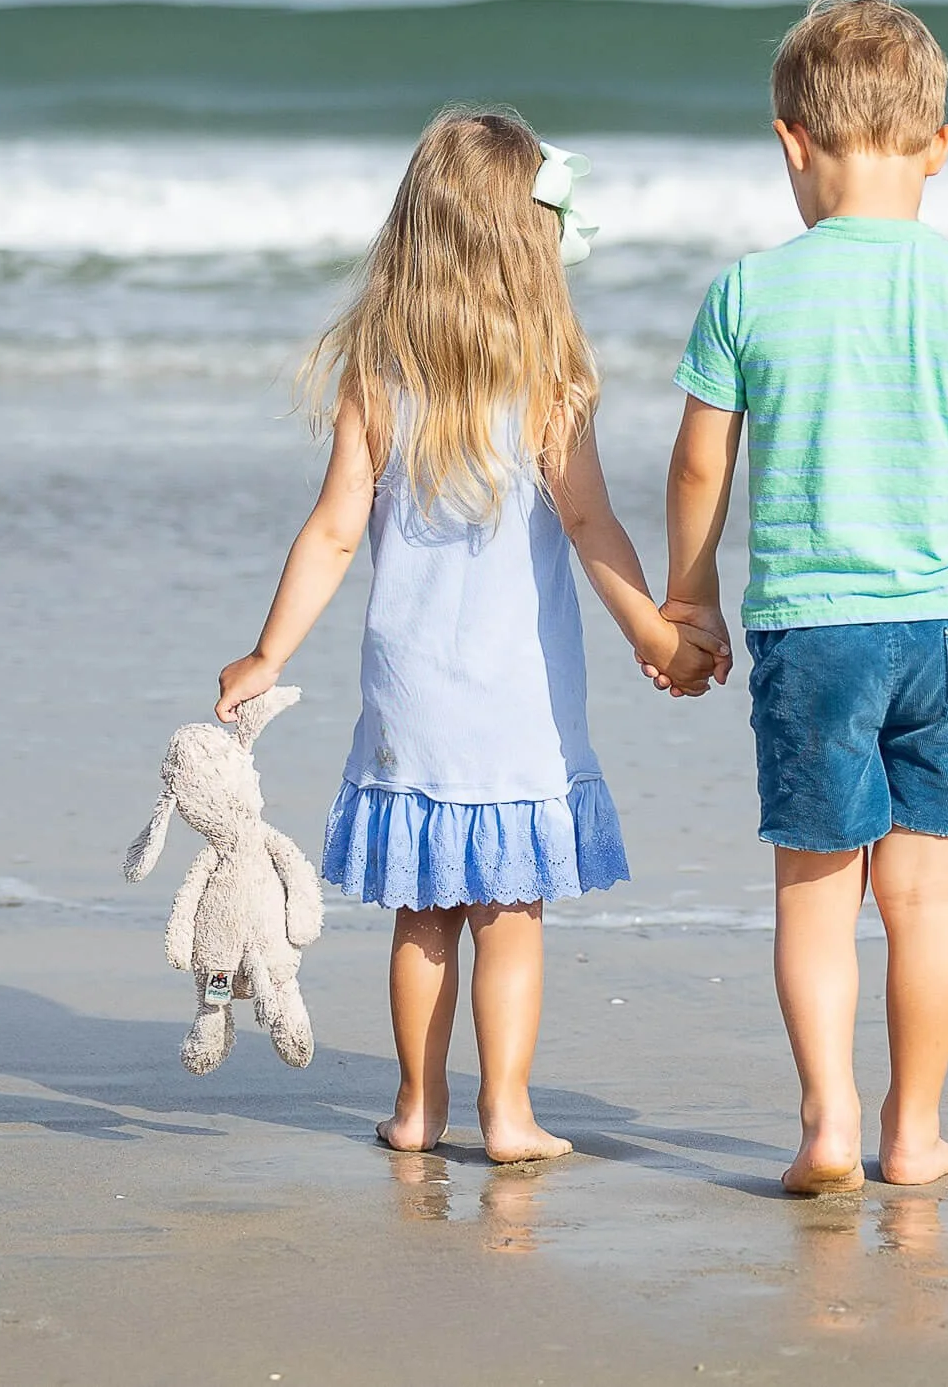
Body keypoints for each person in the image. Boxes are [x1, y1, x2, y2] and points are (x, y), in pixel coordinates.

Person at [218, 108, 726, 1163]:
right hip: (516, 696)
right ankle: (506, 1112)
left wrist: (270, 651)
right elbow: (590, 524)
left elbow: (332, 528)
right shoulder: (549, 373)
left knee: (423, 915)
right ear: (531, 242)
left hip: (411, 694)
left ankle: (416, 1108)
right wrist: (655, 631)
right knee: (510, 912)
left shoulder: (381, 367)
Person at [652, 0, 948, 1194]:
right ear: (939, 145)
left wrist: (691, 600)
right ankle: (913, 1128)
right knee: (927, 896)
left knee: (812, 892)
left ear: (790, 142)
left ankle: (826, 1123)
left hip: (808, 632)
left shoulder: (748, 291)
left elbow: (698, 464)